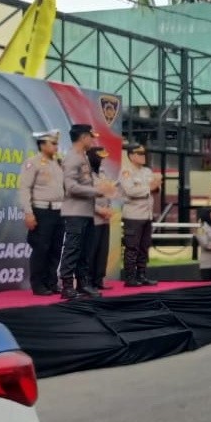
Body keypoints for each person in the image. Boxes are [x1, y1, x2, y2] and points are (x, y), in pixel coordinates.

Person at [59, 124, 116, 299]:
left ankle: (83, 284)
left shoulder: (82, 157)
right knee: (73, 248)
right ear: (83, 137)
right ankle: (67, 286)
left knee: (85, 249)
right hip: (75, 211)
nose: (93, 140)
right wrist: (97, 191)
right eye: (91, 137)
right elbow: (70, 187)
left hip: (86, 211)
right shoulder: (72, 158)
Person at [19, 129, 66, 296]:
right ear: (42, 144)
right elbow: (25, 188)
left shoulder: (58, 164)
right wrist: (28, 212)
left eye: (56, 144)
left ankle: (51, 281)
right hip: (41, 211)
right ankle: (38, 284)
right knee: (41, 248)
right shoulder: (33, 163)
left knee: (56, 248)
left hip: (58, 211)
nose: (56, 147)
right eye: (53, 143)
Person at [119, 142, 160, 287]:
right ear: (131, 155)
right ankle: (130, 277)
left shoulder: (147, 171)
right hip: (133, 215)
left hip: (147, 215)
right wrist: (149, 187)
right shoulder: (126, 171)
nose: (143, 156)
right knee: (132, 247)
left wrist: (153, 187)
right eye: (140, 154)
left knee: (144, 246)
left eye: (144, 153)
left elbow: (155, 188)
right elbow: (130, 191)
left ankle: (141, 275)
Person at [87, 145, 115, 292]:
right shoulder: (86, 174)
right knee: (92, 250)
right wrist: (100, 210)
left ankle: (99, 279)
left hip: (105, 218)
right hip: (93, 217)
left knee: (102, 250)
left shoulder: (103, 173)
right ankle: (88, 281)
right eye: (100, 158)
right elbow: (85, 198)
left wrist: (109, 209)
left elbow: (108, 192)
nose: (102, 160)